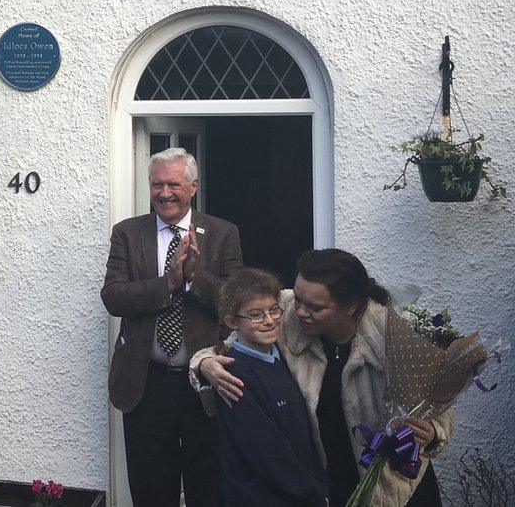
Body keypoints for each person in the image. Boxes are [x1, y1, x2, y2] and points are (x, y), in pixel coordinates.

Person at [195, 248, 453, 507]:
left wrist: (432, 432)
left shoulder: (388, 334)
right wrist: (204, 363)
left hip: (393, 482)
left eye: (315, 307)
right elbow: (236, 342)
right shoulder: (282, 312)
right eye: (297, 299)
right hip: (330, 482)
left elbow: (437, 398)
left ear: (350, 307)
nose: (300, 312)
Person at [101, 147, 242, 507]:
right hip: (147, 383)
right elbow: (114, 297)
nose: (164, 193)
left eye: (174, 184)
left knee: (207, 486)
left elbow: (235, 303)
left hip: (204, 383)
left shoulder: (223, 234)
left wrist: (194, 277)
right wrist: (169, 283)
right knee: (151, 489)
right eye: (156, 185)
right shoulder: (128, 233)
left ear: (193, 186)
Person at [212, 268, 329, 506]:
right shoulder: (234, 374)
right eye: (255, 314)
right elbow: (265, 451)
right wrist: (312, 494)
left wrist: (320, 485)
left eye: (273, 310)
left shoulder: (283, 359)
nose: (268, 320)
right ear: (232, 321)